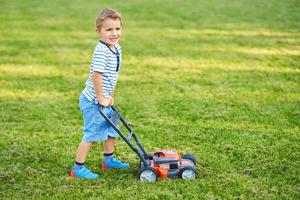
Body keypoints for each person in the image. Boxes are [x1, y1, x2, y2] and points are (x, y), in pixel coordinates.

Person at [70, 8, 129, 179]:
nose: (114, 33)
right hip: (93, 101)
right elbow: (97, 76)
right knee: (92, 133)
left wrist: (110, 96)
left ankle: (108, 161)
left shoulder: (116, 48)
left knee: (112, 129)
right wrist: (101, 98)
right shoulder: (102, 51)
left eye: (117, 29)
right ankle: (77, 168)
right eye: (108, 29)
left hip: (105, 99)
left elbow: (113, 75)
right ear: (98, 31)